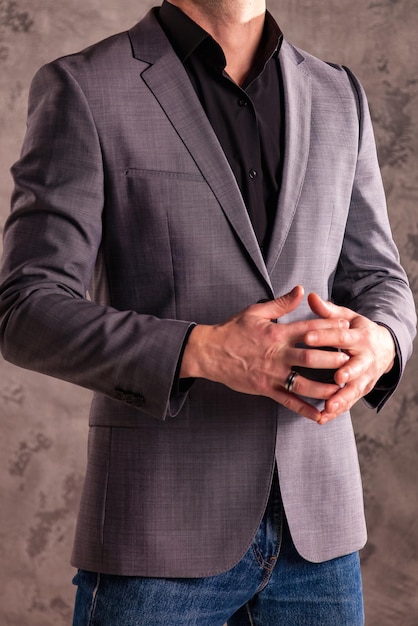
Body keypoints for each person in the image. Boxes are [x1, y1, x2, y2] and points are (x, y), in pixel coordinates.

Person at [0, 0, 415, 623]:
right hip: (156, 537)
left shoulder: (338, 93)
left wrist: (382, 342)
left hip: (320, 542)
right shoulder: (85, 86)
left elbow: (380, 277)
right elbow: (25, 307)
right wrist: (204, 350)